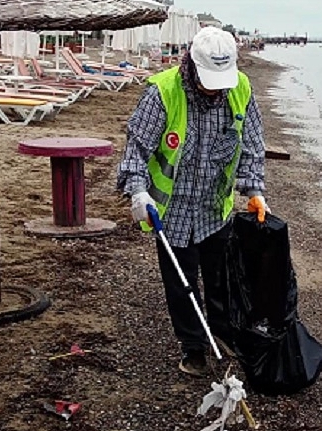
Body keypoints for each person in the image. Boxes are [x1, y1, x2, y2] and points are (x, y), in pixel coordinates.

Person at [116, 26, 270, 377]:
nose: (216, 90)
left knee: (219, 277)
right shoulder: (162, 92)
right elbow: (136, 149)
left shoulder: (240, 88)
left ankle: (220, 331)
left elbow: (251, 143)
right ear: (192, 66)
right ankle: (193, 346)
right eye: (210, 81)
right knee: (181, 281)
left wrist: (254, 190)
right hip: (171, 210)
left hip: (216, 207)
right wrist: (137, 190)